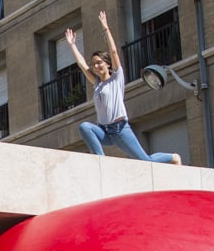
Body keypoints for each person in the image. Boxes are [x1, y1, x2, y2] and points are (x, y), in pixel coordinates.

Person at [66, 11, 182, 165]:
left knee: (144, 161)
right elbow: (82, 65)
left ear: (107, 64)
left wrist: (106, 28)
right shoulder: (97, 83)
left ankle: (173, 157)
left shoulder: (116, 78)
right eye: (93, 64)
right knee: (85, 127)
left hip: (119, 129)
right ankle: (101, 159)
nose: (95, 66)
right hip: (105, 131)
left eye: (99, 62)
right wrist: (72, 45)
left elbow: (113, 52)